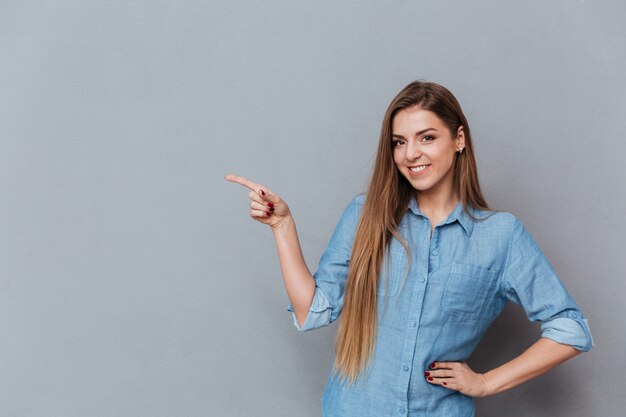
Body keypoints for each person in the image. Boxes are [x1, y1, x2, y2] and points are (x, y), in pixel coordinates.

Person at [224, 80, 594, 416]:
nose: (410, 154)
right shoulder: (364, 216)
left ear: (459, 139)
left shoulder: (501, 236)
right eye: (399, 142)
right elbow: (313, 313)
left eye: (427, 137)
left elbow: (570, 330)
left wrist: (486, 382)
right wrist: (282, 226)